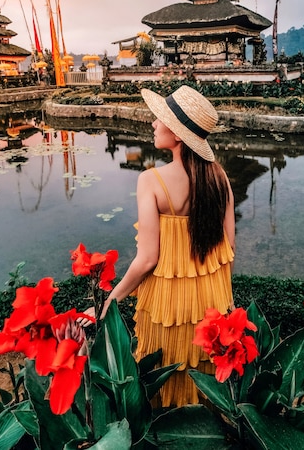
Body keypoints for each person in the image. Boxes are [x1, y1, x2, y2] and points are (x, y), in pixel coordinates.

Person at [92, 85, 235, 407]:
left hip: (167, 304)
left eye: (160, 119)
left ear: (180, 134)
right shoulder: (220, 178)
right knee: (204, 372)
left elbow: (147, 259)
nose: (154, 124)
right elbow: (229, 252)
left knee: (163, 370)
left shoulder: (151, 180)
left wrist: (108, 304)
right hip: (211, 301)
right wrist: (226, 303)